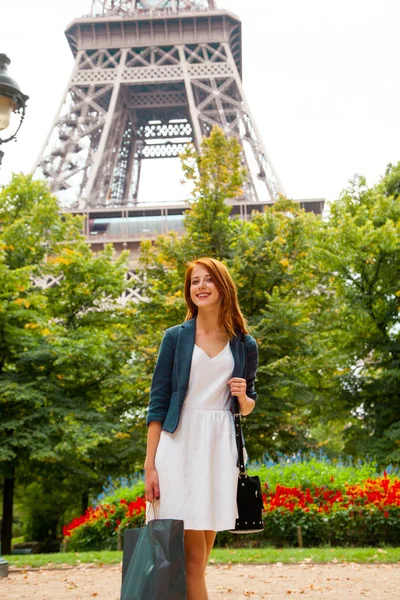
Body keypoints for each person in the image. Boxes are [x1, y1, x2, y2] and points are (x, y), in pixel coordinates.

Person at [144, 257, 259, 600]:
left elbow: (248, 403)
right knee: (193, 560)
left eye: (208, 280)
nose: (201, 286)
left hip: (219, 448)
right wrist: (150, 465)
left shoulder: (244, 343)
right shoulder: (175, 338)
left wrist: (243, 396)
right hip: (179, 446)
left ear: (223, 287)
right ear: (188, 290)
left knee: (199, 560)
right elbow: (158, 402)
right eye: (195, 281)